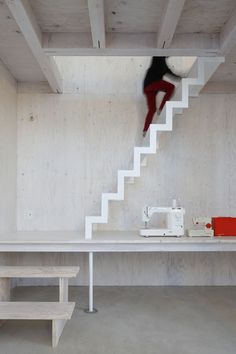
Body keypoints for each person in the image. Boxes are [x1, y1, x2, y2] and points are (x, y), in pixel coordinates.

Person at [143, 56, 181, 137]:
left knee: (152, 109)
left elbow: (172, 75)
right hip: (152, 83)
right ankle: (161, 108)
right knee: (171, 87)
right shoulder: (158, 57)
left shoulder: (164, 66)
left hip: (147, 87)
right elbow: (157, 54)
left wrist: (181, 77)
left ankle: (145, 131)